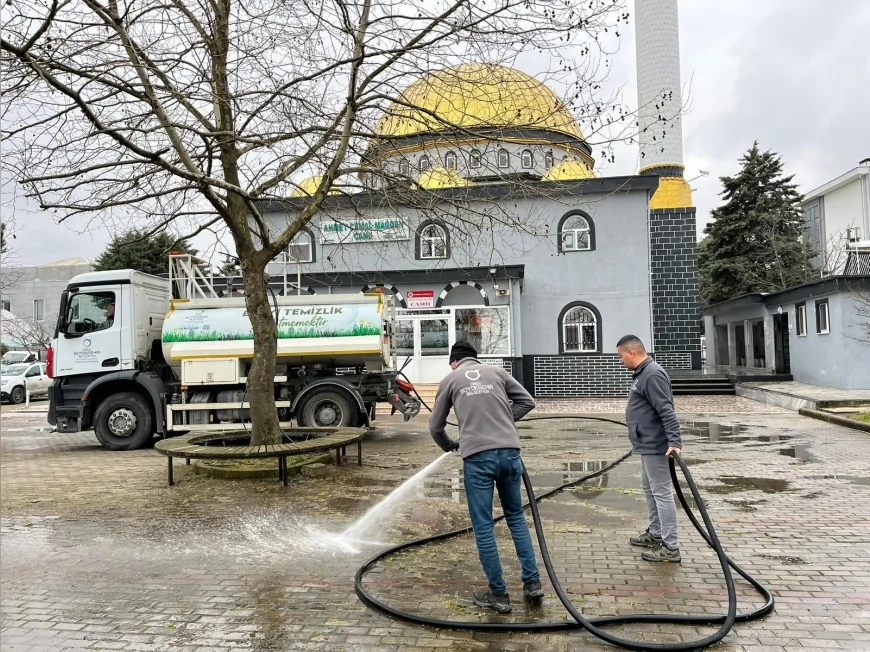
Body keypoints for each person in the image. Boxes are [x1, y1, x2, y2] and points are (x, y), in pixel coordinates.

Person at [428, 341, 543, 614]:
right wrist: (501, 420)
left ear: (455, 362)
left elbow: (435, 427)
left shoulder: (450, 380)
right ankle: (533, 584)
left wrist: (449, 444)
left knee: (483, 526)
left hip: (478, 458)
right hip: (510, 453)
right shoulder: (498, 373)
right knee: (515, 517)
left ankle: (499, 595)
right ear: (475, 359)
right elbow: (528, 401)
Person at [616, 334, 683, 563]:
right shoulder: (643, 373)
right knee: (650, 489)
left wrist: (674, 442)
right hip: (646, 444)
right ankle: (656, 533)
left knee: (662, 493)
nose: (621, 360)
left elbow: (666, 409)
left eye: (621, 356)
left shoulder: (652, 374)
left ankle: (670, 546)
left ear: (631, 352)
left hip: (656, 445)